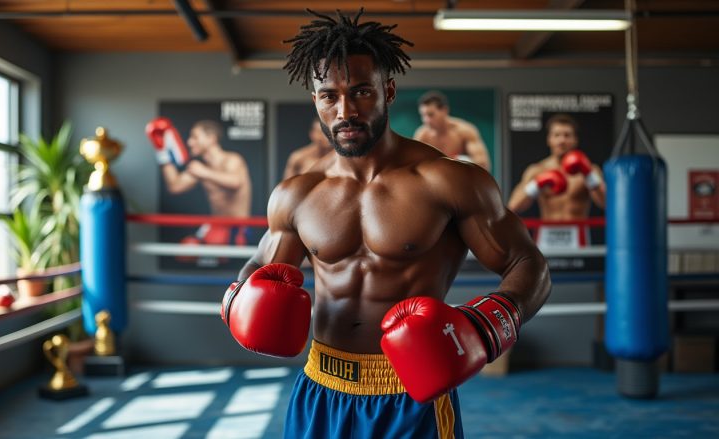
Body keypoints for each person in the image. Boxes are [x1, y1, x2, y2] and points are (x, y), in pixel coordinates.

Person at [220, 9, 550, 438]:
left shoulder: (449, 181)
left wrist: (488, 324)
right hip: (321, 388)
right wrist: (242, 301)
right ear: (316, 100)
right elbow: (256, 271)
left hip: (411, 393)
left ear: (388, 91)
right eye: (329, 96)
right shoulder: (296, 194)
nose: (345, 110)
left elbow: (529, 265)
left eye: (361, 92)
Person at [146, 118, 252, 248]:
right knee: (187, 249)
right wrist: (162, 154)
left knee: (197, 250)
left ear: (211, 138)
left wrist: (204, 173)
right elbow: (175, 186)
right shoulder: (201, 167)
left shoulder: (232, 159)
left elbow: (235, 182)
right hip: (216, 226)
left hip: (237, 229)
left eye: (195, 137)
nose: (190, 142)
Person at [507, 113, 606, 249]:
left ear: (575, 140)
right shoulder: (537, 170)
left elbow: (606, 204)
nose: (562, 140)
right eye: (557, 135)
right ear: (549, 139)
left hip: (577, 236)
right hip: (546, 236)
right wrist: (537, 183)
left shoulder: (590, 169)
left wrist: (588, 174)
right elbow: (514, 206)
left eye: (567, 135)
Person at [413, 90, 491, 172]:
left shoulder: (465, 131)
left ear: (444, 110)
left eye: (431, 115)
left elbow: (483, 165)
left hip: (462, 180)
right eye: (423, 115)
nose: (426, 120)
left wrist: (462, 162)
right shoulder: (422, 135)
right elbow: (412, 167)